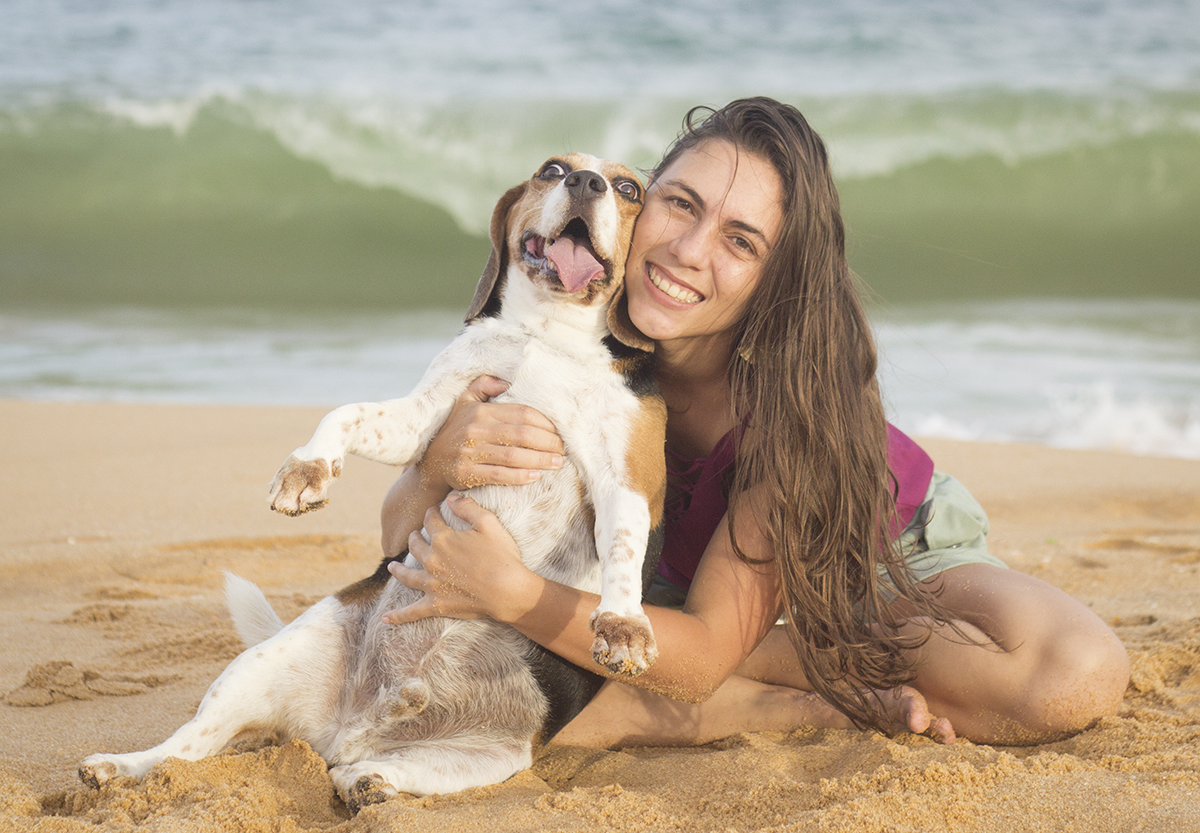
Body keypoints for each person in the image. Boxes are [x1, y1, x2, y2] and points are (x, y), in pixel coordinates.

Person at [376, 97, 1129, 748]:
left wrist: (516, 597)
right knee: (476, 700)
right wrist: (438, 461)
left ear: (775, 278)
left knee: (1074, 673)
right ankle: (781, 695)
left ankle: (792, 658)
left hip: (868, 573)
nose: (688, 251)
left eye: (741, 241)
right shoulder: (561, 332)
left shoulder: (789, 411)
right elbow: (405, 553)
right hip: (657, 598)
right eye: (680, 204)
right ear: (633, 204)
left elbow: (700, 654)